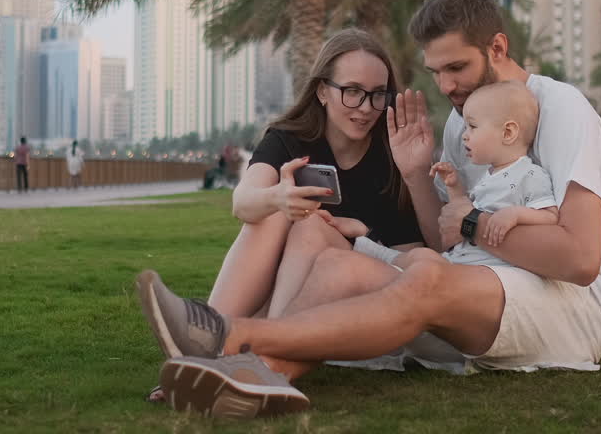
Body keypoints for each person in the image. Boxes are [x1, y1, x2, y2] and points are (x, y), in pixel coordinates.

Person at [137, 0, 601, 418]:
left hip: (570, 306)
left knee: (427, 274)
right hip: (477, 294)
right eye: (436, 72)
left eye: (457, 67)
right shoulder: (462, 126)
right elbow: (445, 242)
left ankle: (228, 335)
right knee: (338, 267)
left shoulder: (559, 108)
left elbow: (581, 262)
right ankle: (254, 374)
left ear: (497, 47)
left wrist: (474, 224)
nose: (447, 86)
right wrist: (417, 175)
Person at [141, 28, 424, 404]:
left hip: (362, 299)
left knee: (308, 226)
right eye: (352, 90)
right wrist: (279, 196)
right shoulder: (289, 139)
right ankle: (213, 356)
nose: (365, 106)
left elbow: (417, 257)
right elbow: (243, 202)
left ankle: (227, 353)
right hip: (296, 288)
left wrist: (360, 235)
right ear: (323, 90)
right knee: (277, 214)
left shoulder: (395, 152)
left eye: (377, 94)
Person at [368, 81, 557, 270]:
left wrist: (515, 215)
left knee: (422, 262)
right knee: (421, 256)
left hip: (488, 268)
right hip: (464, 259)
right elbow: (464, 215)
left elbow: (550, 216)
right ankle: (370, 250)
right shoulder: (490, 176)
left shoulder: (530, 174)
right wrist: (454, 187)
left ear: (508, 133)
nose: (464, 136)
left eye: (472, 127)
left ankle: (371, 251)